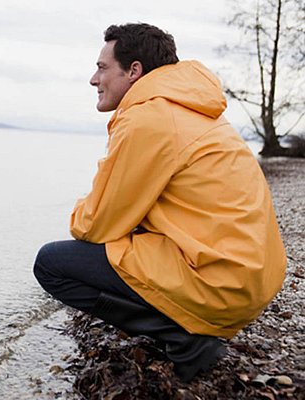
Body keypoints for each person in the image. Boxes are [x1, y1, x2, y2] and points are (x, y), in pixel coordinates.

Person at [33, 23, 287, 382]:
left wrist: (84, 214)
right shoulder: (189, 107)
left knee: (51, 264)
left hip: (219, 282)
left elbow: (95, 225)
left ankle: (186, 339)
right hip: (250, 278)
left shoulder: (149, 117)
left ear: (134, 70)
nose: (93, 79)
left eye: (102, 67)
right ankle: (187, 327)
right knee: (123, 241)